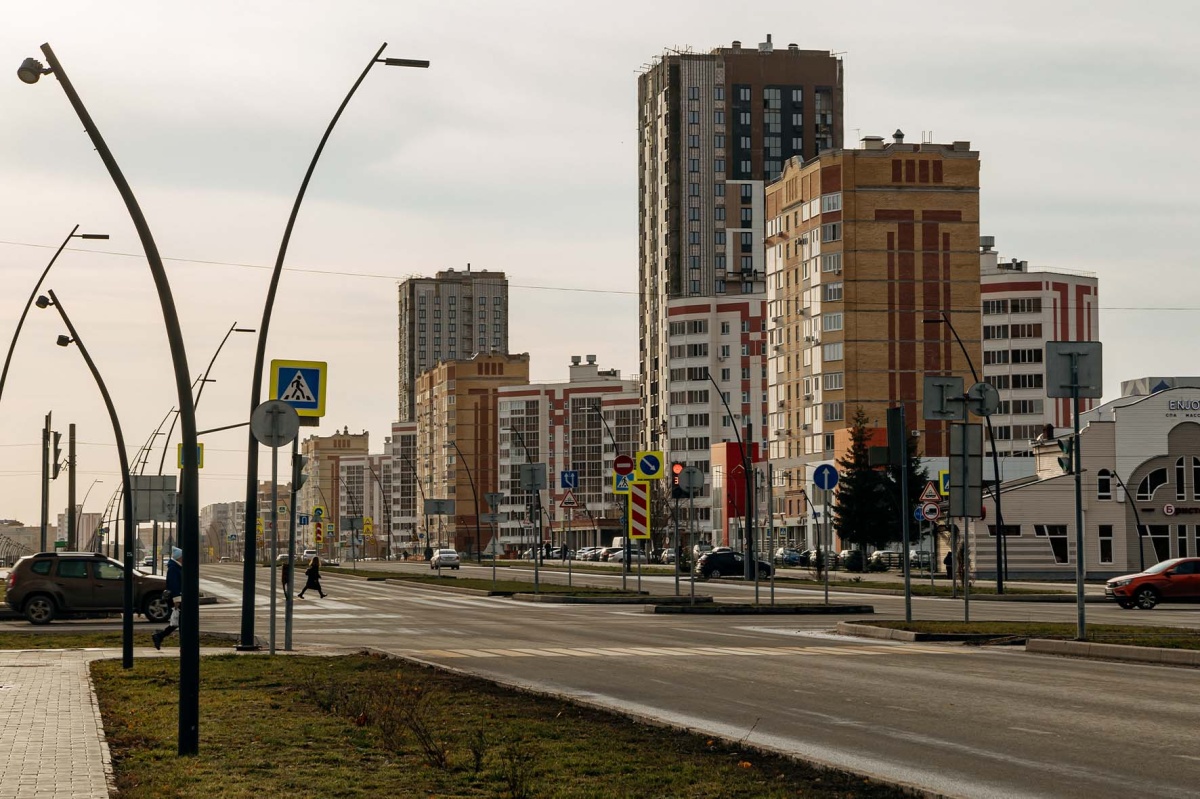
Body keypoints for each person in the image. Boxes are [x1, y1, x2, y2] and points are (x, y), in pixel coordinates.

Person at [152, 547, 182, 650]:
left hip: (179, 598)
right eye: (182, 557)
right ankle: (184, 645)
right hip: (178, 599)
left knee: (177, 622)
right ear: (179, 558)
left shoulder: (176, 567)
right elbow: (174, 585)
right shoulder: (174, 568)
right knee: (181, 622)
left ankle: (159, 636)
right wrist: (177, 601)